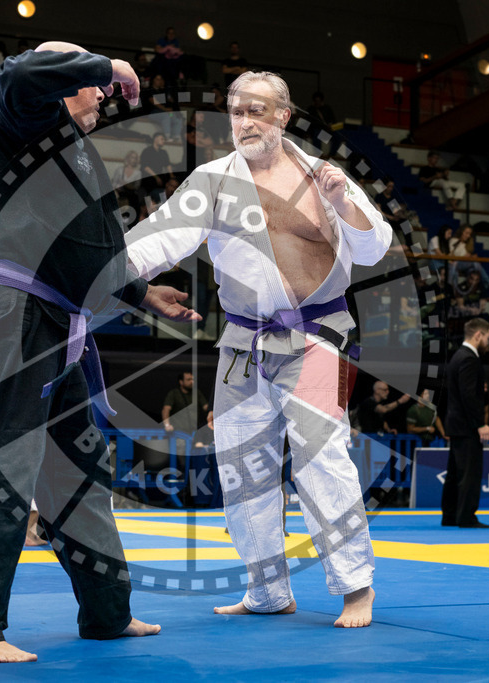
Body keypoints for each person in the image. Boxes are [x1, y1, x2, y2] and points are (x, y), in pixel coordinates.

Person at [0, 41, 191, 662]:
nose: (104, 96)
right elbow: (21, 72)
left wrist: (140, 295)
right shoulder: (20, 116)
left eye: (104, 86)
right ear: (62, 82)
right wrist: (110, 65)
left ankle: (108, 612)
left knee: (82, 471)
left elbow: (87, 246)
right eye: (92, 86)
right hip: (8, 310)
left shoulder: (75, 150)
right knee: (6, 462)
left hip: (60, 319)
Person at [126, 70, 391, 627]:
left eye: (258, 111)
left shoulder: (323, 177)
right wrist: (103, 270)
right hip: (242, 341)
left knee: (322, 458)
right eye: (237, 111)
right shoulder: (211, 181)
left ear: (283, 116)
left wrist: (344, 206)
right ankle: (267, 589)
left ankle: (355, 587)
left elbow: (373, 249)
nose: (246, 122)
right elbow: (158, 236)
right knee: (241, 468)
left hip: (320, 337)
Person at [441, 317, 489, 528]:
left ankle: (451, 515)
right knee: (469, 474)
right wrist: (480, 423)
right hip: (467, 425)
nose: (488, 343)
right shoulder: (469, 359)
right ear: (478, 335)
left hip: (457, 424)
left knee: (455, 473)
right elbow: (468, 395)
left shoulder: (457, 357)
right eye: (487, 338)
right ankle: (466, 517)